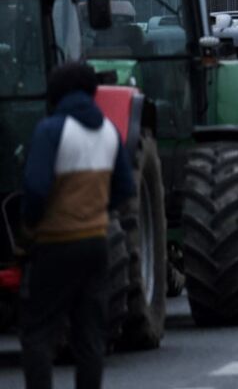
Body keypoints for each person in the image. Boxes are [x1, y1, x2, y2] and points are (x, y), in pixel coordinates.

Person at [21, 62, 135, 389]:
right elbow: (125, 189)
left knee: (38, 332)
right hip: (97, 245)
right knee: (89, 336)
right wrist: (97, 212)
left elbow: (35, 189)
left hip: (55, 244)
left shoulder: (51, 130)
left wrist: (29, 230)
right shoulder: (109, 131)